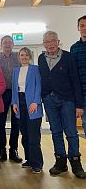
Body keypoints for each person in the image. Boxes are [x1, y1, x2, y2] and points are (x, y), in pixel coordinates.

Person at [38, 31, 86, 179]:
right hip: (49, 100)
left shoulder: (68, 57)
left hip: (67, 100)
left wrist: (79, 105)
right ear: (44, 44)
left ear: (58, 42)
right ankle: (61, 162)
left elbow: (75, 80)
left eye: (53, 40)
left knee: (71, 132)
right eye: (47, 41)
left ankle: (76, 163)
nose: (50, 44)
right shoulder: (41, 58)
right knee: (56, 132)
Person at [12, 47, 43, 174]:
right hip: (19, 102)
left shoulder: (35, 69)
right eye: (21, 55)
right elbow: (14, 88)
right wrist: (14, 102)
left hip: (32, 104)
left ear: (30, 56)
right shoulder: (15, 71)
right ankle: (29, 159)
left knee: (33, 136)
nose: (24, 57)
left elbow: (39, 85)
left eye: (26, 55)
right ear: (19, 57)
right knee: (24, 134)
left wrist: (36, 101)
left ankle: (37, 163)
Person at [0, 35, 22, 163]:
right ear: (1, 45)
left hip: (17, 93)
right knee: (1, 122)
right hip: (2, 93)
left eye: (9, 42)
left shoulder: (19, 57)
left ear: (13, 44)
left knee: (16, 122)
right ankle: (1, 149)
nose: (7, 45)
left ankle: (13, 149)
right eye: (4, 42)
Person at [70, 15, 86, 137]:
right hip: (82, 95)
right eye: (82, 26)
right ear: (78, 28)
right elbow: (73, 75)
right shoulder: (74, 48)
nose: (85, 28)